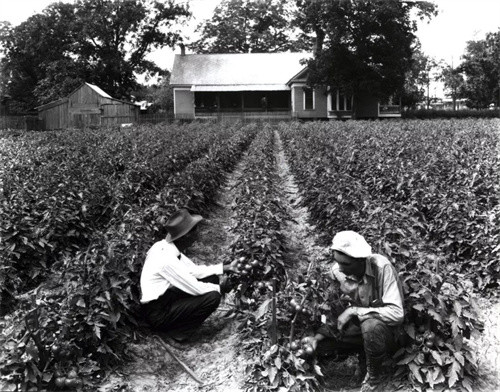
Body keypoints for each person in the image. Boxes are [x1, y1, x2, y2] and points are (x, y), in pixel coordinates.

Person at [303, 231, 404, 392]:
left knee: (371, 326)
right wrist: (317, 337)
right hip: (357, 332)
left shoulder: (382, 268)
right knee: (318, 346)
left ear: (361, 261)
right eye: (338, 262)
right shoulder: (338, 271)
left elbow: (397, 313)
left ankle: (374, 379)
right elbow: (333, 310)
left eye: (346, 264)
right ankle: (361, 356)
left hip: (386, 334)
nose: (341, 268)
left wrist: (354, 310)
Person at [140, 208, 238, 343]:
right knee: (212, 297)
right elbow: (194, 287)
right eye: (195, 233)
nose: (197, 237)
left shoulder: (166, 247)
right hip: (158, 313)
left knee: (212, 278)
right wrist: (221, 288)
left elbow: (193, 271)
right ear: (186, 236)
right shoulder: (166, 260)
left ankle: (180, 323)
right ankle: (179, 332)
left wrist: (224, 268)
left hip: (165, 299)